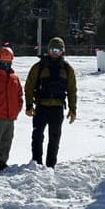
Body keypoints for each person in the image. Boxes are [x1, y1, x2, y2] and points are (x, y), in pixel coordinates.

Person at [24, 37, 77, 168]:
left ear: (62, 52)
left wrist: (73, 109)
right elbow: (29, 87)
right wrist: (29, 105)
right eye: (53, 50)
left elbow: (72, 90)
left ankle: (50, 165)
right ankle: (36, 163)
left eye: (58, 50)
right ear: (48, 50)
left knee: (54, 138)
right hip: (40, 107)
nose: (55, 53)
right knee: (37, 136)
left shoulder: (67, 69)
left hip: (57, 109)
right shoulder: (39, 67)